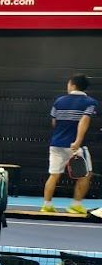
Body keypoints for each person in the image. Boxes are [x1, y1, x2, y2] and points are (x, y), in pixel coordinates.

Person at [42, 73, 96, 214]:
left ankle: (47, 205)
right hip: (75, 147)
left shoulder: (59, 101)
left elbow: (54, 122)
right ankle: (75, 205)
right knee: (85, 175)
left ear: (72, 85)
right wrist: (77, 141)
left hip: (56, 144)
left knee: (54, 175)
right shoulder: (90, 102)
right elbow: (84, 121)